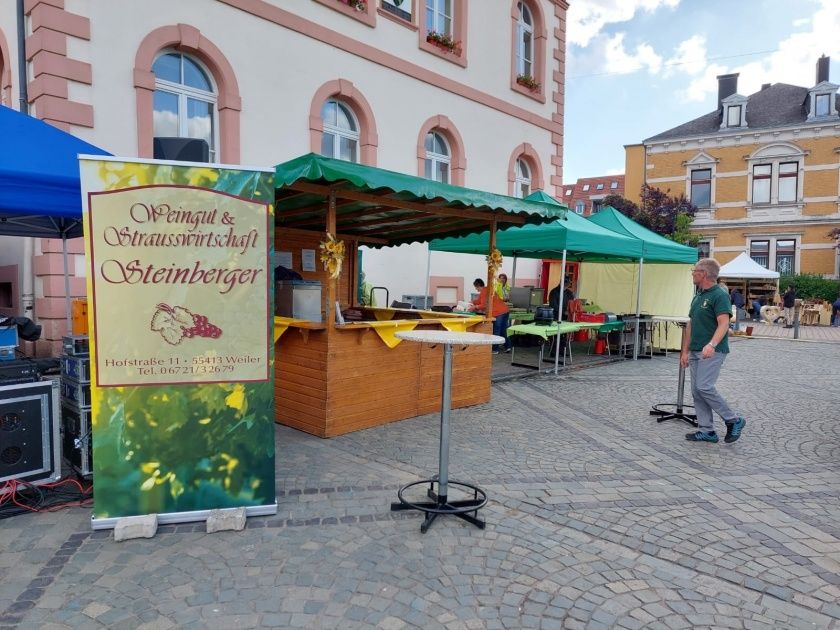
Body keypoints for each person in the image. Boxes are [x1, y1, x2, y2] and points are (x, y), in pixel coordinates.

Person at [680, 258, 746, 444]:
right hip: (695, 350)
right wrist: (684, 351)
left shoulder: (719, 295)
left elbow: (724, 323)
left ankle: (733, 420)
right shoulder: (698, 295)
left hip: (712, 351)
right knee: (696, 391)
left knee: (704, 386)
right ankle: (706, 430)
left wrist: (712, 345)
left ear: (704, 274)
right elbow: (691, 324)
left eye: (694, 270)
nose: (692, 273)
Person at [472, 278, 510, 353]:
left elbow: (483, 305)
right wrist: (472, 302)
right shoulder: (487, 290)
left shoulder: (484, 291)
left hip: (498, 312)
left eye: (476, 287)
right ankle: (508, 346)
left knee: (496, 330)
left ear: (478, 285)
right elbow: (479, 301)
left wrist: (475, 307)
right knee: (503, 330)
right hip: (505, 310)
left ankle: (495, 349)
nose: (476, 289)